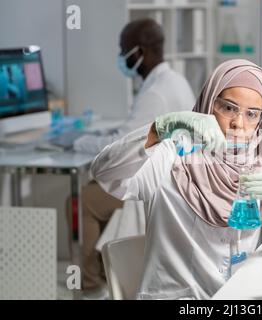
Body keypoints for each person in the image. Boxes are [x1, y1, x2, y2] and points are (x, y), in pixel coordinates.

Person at [90, 59, 262, 299]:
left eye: (252, 114)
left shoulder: (257, 165)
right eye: (229, 108)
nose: (238, 123)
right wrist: (159, 128)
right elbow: (104, 171)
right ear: (210, 102)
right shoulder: (171, 155)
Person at [73, 18, 195, 297]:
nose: (120, 57)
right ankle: (104, 271)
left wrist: (79, 141)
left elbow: (118, 147)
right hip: (173, 175)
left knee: (85, 200)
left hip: (155, 182)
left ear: (139, 53)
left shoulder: (155, 92)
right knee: (94, 192)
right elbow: (133, 133)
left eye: (123, 50)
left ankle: (91, 287)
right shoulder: (174, 80)